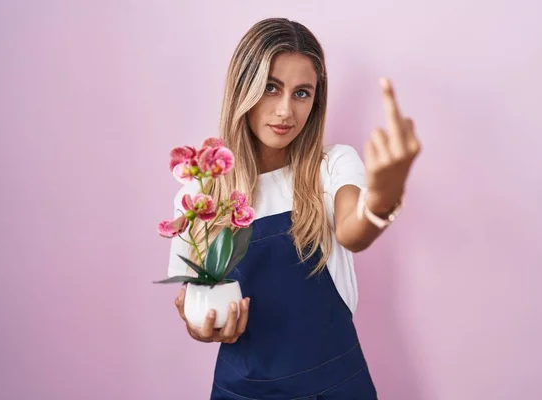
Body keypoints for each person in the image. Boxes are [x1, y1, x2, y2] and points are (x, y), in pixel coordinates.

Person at [169, 17, 421, 399]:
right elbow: (192, 299)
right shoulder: (204, 188)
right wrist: (201, 325)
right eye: (271, 88)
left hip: (338, 387)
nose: (285, 110)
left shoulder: (331, 166)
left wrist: (383, 198)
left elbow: (353, 232)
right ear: (243, 88)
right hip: (243, 391)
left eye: (302, 93)